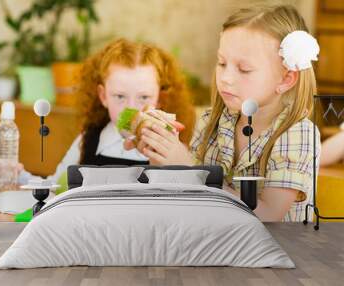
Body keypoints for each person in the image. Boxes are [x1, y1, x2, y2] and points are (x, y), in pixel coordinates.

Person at [128, 5, 321, 222]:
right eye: (222, 63)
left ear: (285, 79)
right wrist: (162, 156)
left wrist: (192, 171)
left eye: (244, 69)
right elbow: (188, 198)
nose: (226, 77)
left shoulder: (298, 133)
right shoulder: (212, 121)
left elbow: (268, 216)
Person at [15, 38, 196, 187]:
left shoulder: (173, 147)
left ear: (159, 100)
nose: (132, 109)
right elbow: (56, 186)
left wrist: (181, 166)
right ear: (103, 96)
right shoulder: (88, 139)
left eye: (144, 98)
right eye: (119, 96)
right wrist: (19, 176)